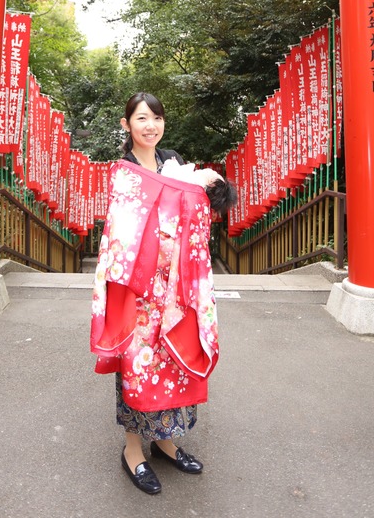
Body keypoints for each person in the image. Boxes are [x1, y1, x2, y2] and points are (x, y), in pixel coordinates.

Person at [89, 92, 235, 496]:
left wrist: (206, 186)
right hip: (137, 291)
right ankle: (134, 451)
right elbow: (129, 224)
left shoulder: (171, 158)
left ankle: (166, 442)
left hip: (173, 287)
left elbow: (190, 209)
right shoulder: (125, 170)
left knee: (171, 362)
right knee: (135, 366)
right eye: (140, 118)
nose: (149, 125)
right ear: (126, 125)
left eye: (155, 118)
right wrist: (187, 182)